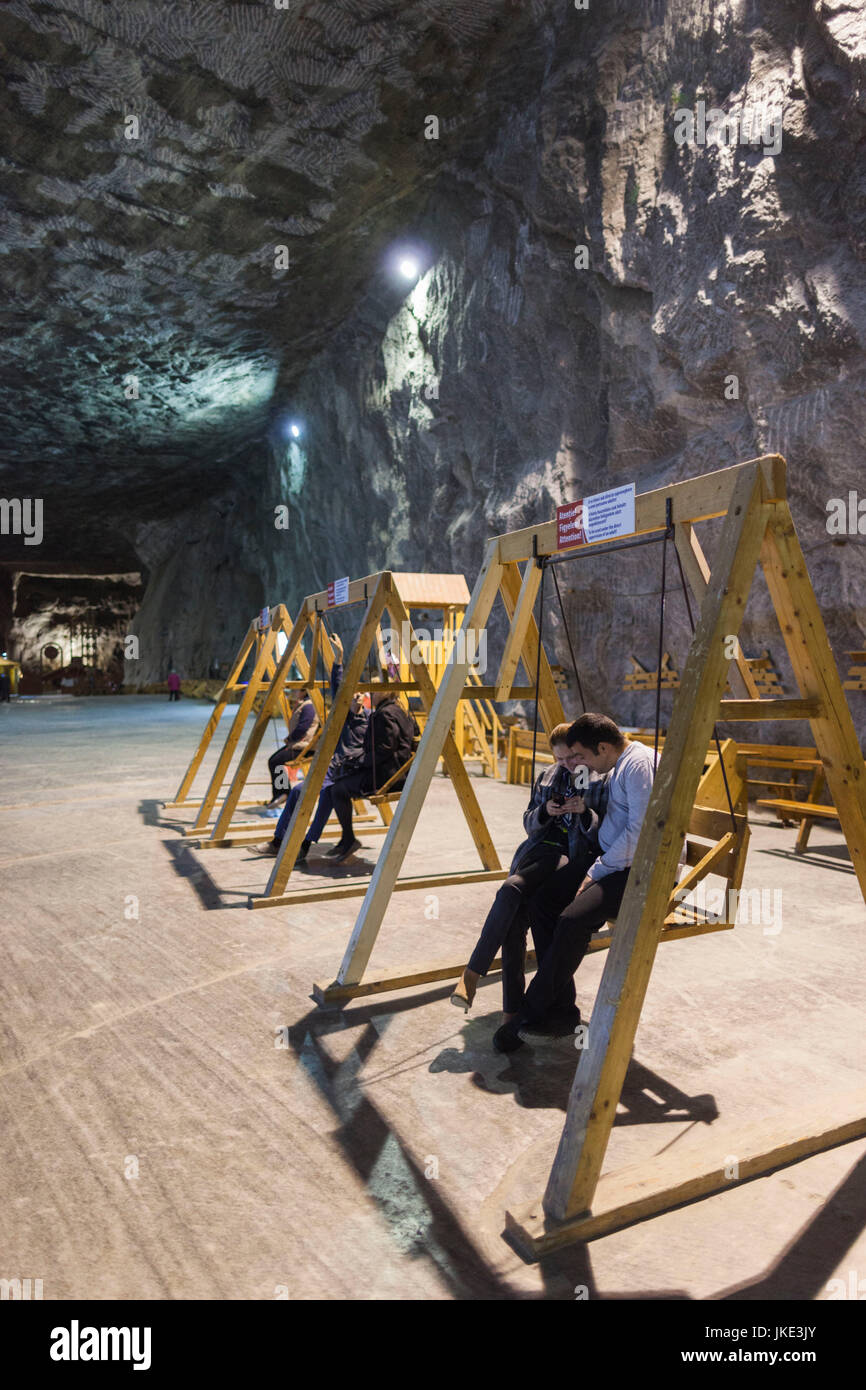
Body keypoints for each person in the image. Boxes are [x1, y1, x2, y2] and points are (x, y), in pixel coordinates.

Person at [492, 713, 656, 1053]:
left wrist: (595, 871)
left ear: (603, 747)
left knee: (571, 920)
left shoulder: (637, 766)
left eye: (580, 756)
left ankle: (529, 1011)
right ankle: (563, 1010)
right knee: (542, 903)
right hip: (611, 859)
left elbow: (641, 836)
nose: (577, 764)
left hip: (638, 870)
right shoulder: (619, 764)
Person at [450, 723, 609, 1025]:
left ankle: (473, 975)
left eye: (571, 759)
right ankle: (511, 1013)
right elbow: (528, 823)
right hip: (537, 852)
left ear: (579, 753)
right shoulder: (547, 777)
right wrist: (547, 811)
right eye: (560, 759)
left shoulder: (596, 780)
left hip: (570, 857)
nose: (566, 765)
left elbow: (603, 834)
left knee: (512, 892)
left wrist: (584, 812)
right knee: (512, 918)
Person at [254, 636, 370, 861]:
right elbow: (338, 689)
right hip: (331, 764)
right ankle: (279, 835)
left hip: (324, 758)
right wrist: (338, 661)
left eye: (360, 695)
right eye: (353, 695)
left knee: (288, 768)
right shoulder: (343, 715)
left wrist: (291, 739)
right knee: (290, 780)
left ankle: (306, 842)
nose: (356, 698)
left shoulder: (369, 719)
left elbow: (304, 729)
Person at [326, 682, 418, 863]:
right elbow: (411, 736)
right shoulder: (399, 710)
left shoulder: (383, 715)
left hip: (386, 776)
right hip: (397, 772)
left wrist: (360, 762)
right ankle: (346, 839)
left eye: (374, 692)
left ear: (384, 693)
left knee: (336, 789)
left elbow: (384, 750)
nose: (371, 695)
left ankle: (349, 838)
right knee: (342, 780)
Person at [267, 686, 320, 804]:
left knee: (275, 761)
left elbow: (303, 728)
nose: (294, 692)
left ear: (304, 691)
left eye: (296, 689)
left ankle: (284, 793)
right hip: (298, 744)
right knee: (274, 760)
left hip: (304, 747)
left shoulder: (309, 706)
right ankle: (282, 793)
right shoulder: (304, 704)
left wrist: (290, 738)